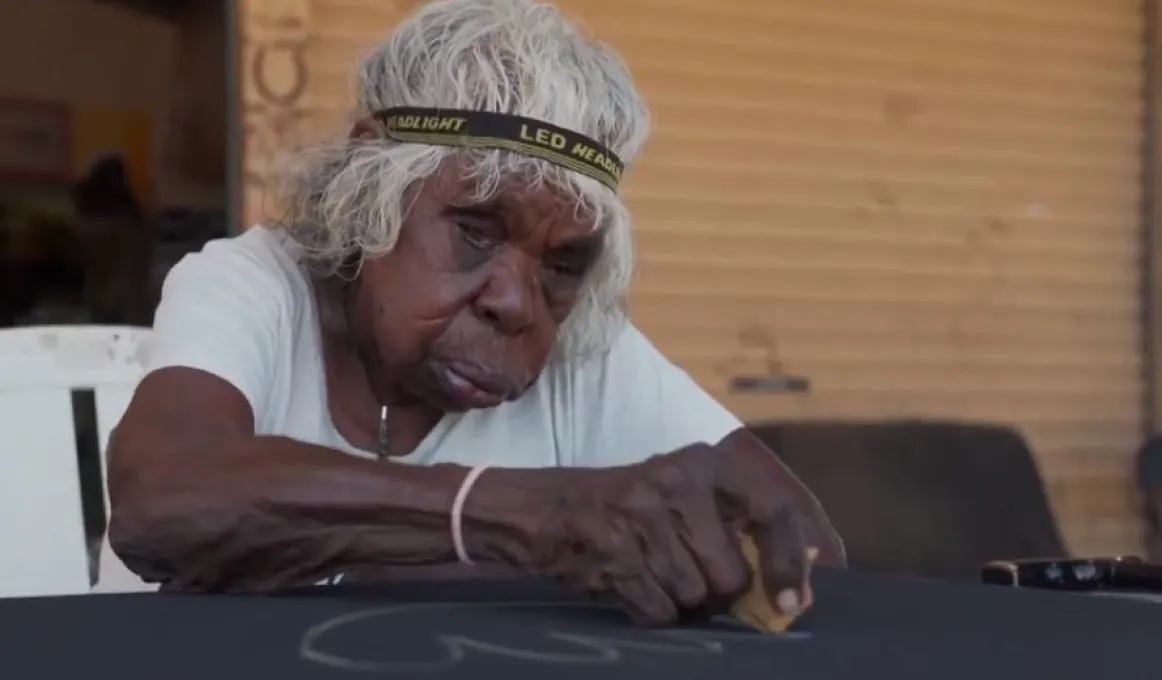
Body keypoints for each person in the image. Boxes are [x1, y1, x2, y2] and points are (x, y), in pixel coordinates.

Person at [107, 0, 844, 626]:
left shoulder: (585, 349)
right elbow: (163, 501)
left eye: (561, 267)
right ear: (368, 181)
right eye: (474, 231)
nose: (517, 304)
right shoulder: (252, 286)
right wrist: (530, 519)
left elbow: (805, 550)